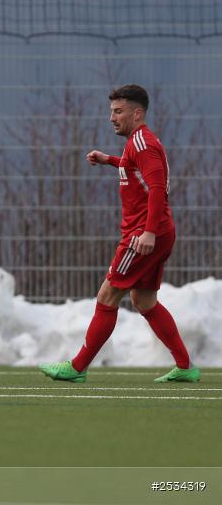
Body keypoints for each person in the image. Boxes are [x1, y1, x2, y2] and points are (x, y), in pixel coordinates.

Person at [40, 84, 199, 383]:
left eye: (118, 111)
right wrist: (109, 160)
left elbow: (156, 189)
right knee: (145, 301)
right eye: (111, 111)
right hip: (158, 232)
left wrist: (148, 233)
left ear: (137, 113)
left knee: (107, 294)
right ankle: (185, 366)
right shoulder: (137, 143)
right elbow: (137, 169)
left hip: (143, 235)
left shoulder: (143, 144)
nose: (112, 118)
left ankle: (77, 367)